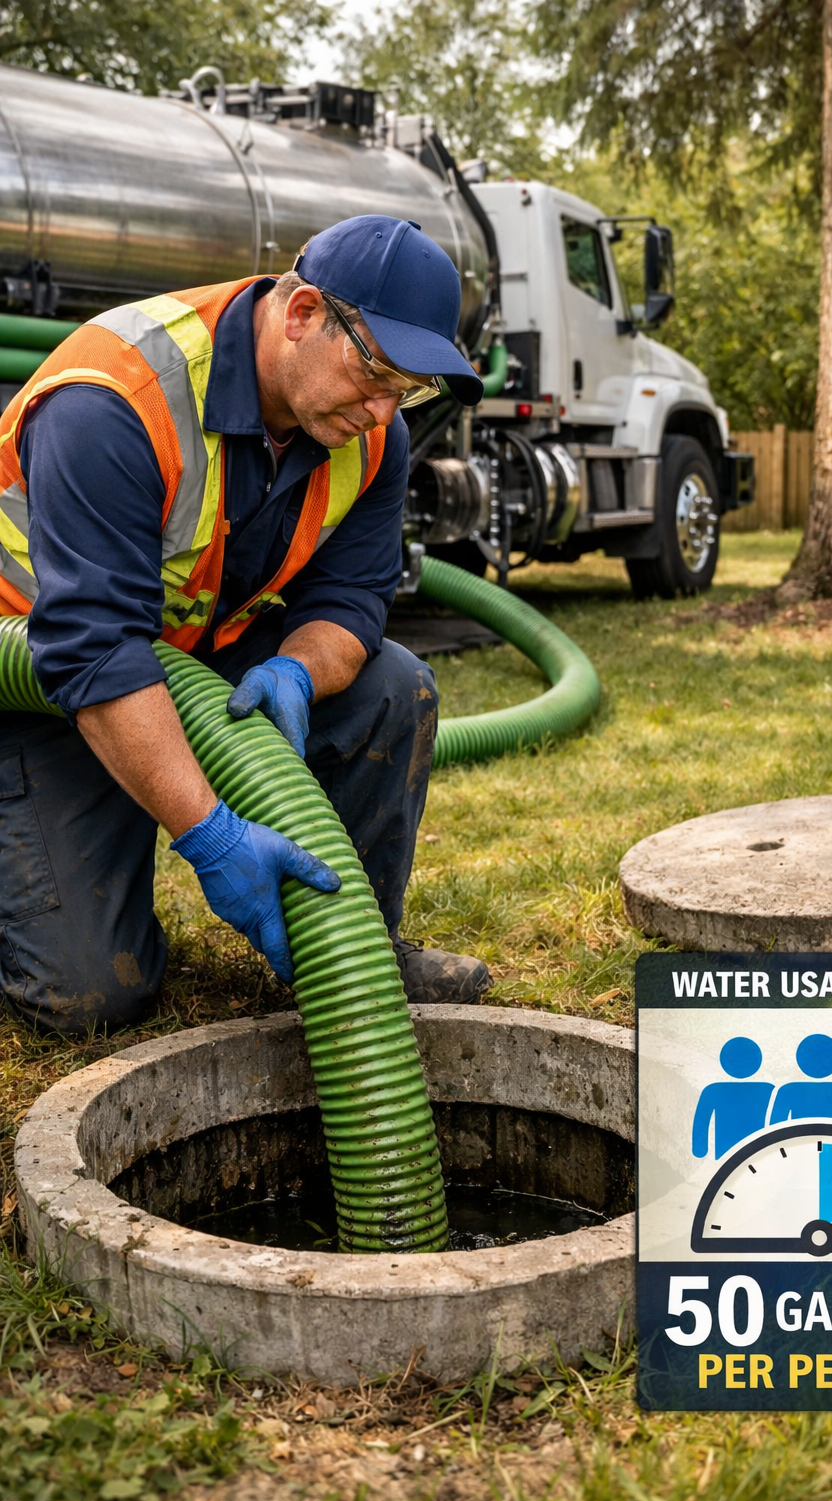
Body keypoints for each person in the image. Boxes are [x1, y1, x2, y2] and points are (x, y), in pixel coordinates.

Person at [0, 215, 492, 1035]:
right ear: (301, 315)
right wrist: (211, 835)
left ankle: (357, 945)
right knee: (88, 1000)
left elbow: (352, 604)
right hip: (44, 683)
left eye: (406, 389)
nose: (382, 409)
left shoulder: (370, 435)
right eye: (374, 371)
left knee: (392, 685)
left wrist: (299, 669)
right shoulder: (116, 395)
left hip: (191, 660)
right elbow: (91, 648)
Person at [691, 1036, 774, 1159]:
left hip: (726, 1154)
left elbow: (701, 1121)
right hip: (759, 1150)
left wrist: (700, 1149)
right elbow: (776, 1121)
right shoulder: (768, 1090)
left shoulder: (712, 1091)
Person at [769, 1033, 832, 1124]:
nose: (822, 1061)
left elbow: (773, 1131)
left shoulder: (788, 1090)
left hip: (807, 1140)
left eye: (824, 1057)